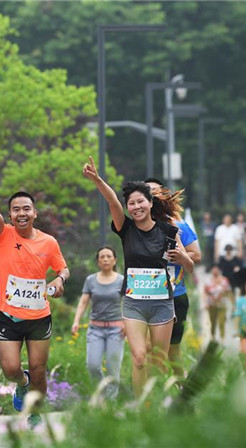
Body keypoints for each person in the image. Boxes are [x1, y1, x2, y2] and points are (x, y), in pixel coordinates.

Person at [82, 157, 191, 397]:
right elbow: (112, 201)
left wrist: (183, 258)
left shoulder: (168, 231)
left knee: (159, 363)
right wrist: (98, 180)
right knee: (140, 357)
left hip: (162, 303)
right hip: (134, 303)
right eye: (131, 203)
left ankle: (156, 403)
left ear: (150, 203)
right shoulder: (126, 229)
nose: (136, 206)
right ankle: (142, 408)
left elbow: (191, 266)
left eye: (140, 201)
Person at [0, 175, 69, 427]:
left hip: (39, 316)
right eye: (16, 209)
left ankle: (36, 412)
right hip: (9, 315)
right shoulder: (3, 235)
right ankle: (22, 382)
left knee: (39, 368)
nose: (21, 213)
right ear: (10, 215)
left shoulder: (49, 242)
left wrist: (59, 280)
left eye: (26, 208)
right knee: (10, 369)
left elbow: (63, 269)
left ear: (34, 213)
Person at [146, 178, 200, 377]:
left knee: (171, 351)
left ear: (163, 195)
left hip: (174, 294)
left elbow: (196, 256)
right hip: (145, 295)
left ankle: (178, 385)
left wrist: (177, 256)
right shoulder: (137, 224)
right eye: (147, 191)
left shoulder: (177, 224)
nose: (151, 194)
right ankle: (152, 388)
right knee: (148, 348)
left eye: (155, 190)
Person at [71, 246, 125, 399]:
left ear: (115, 260)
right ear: (98, 261)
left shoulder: (122, 280)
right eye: (102, 257)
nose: (105, 259)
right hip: (95, 329)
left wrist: (127, 324)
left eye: (109, 256)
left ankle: (111, 403)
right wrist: (76, 321)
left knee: (113, 368)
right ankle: (101, 396)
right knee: (93, 366)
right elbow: (83, 302)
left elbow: (129, 303)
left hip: (116, 330)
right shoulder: (91, 280)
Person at [204, 265, 231, 341]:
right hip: (212, 304)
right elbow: (205, 292)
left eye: (216, 269)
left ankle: (222, 339)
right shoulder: (208, 281)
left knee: (221, 322)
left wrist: (222, 293)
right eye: (213, 270)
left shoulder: (224, 280)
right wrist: (205, 303)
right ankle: (213, 338)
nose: (215, 271)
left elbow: (228, 291)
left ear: (219, 270)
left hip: (222, 304)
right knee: (212, 322)